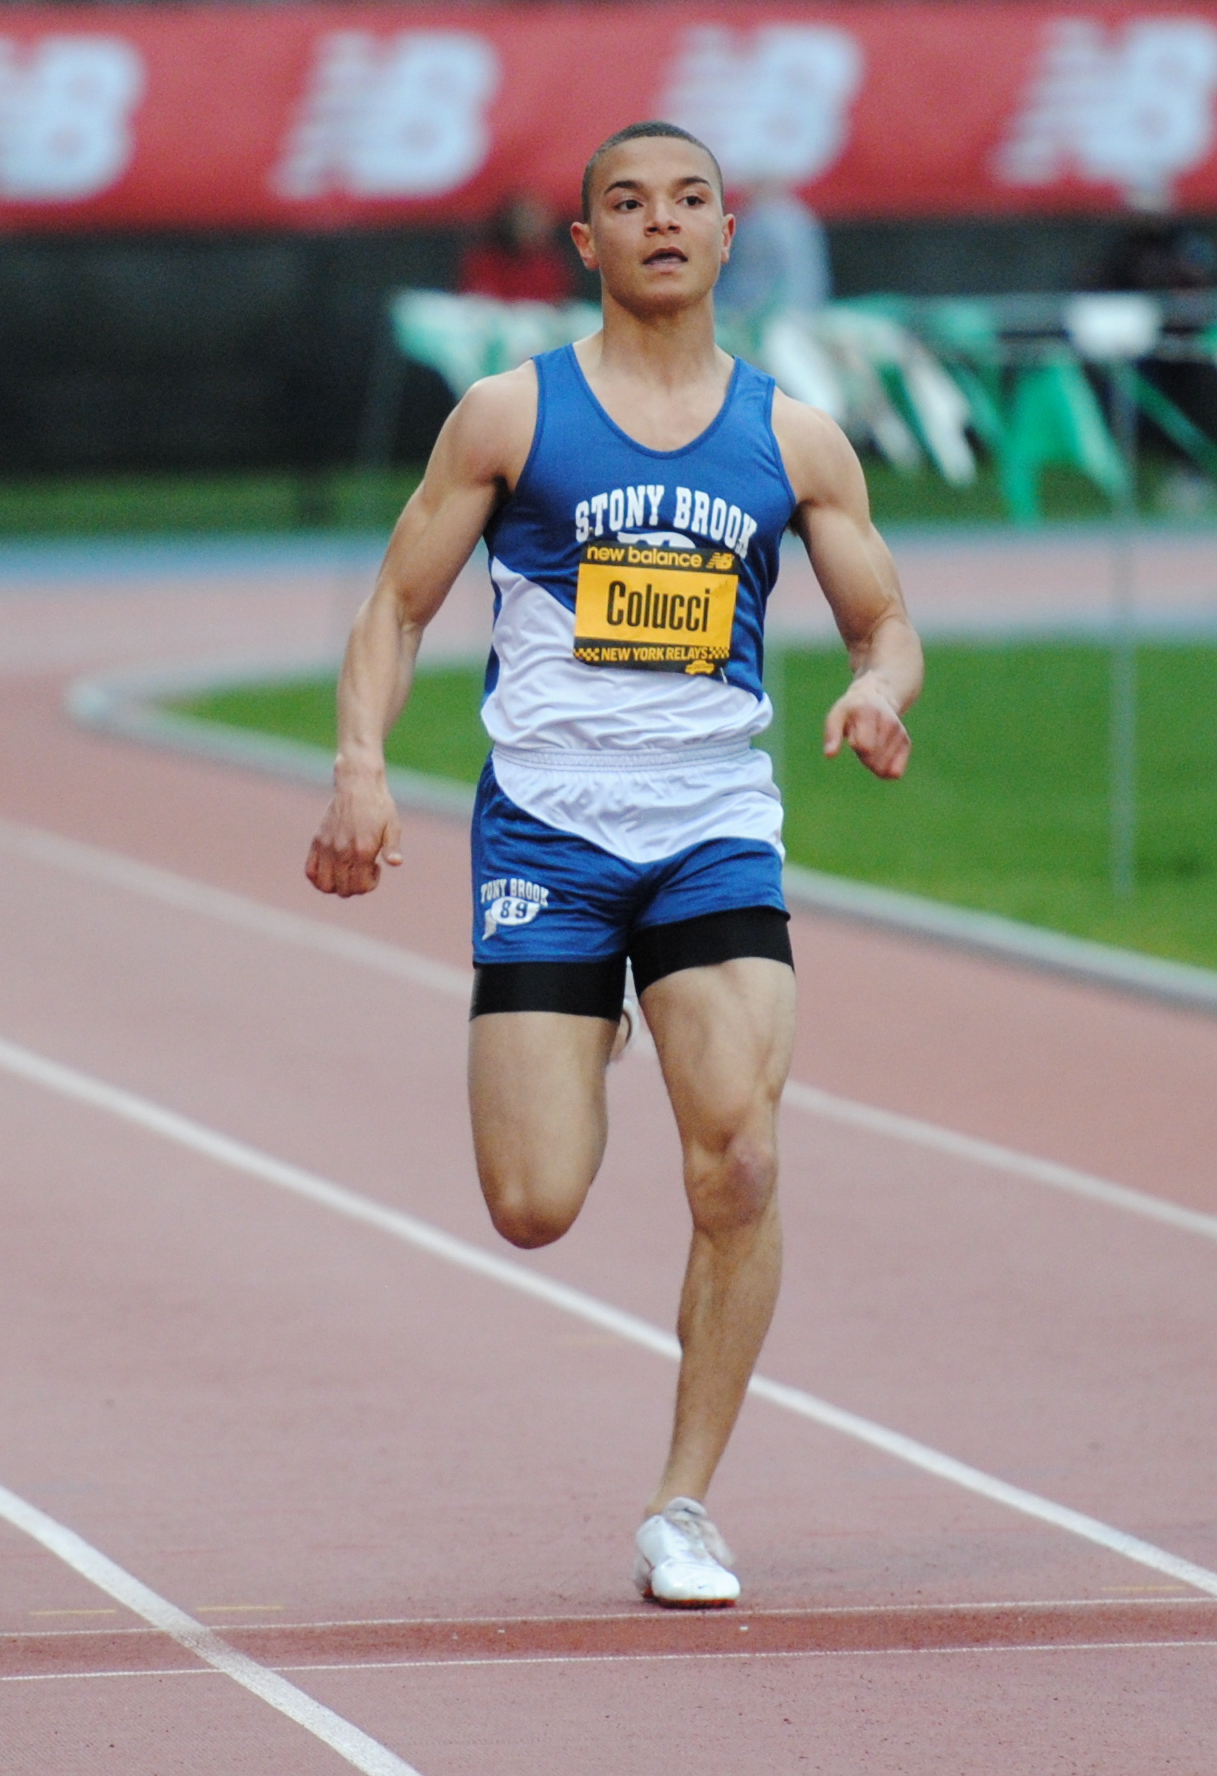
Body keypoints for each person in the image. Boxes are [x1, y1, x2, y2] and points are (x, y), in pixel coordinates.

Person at [305, 121, 921, 1607]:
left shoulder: (793, 439)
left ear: (726, 237)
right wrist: (360, 767)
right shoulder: (510, 416)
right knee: (533, 1202)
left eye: (690, 200)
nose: (662, 222)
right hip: (550, 833)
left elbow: (883, 621)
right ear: (584, 243)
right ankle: (591, 1019)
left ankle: (682, 1506)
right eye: (629, 204)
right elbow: (396, 606)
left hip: (711, 831)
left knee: (742, 1157)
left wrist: (877, 691)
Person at [712, 178, 830, 323]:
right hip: (803, 315)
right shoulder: (798, 217)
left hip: (774, 320)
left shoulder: (763, 224)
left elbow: (748, 287)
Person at [458, 192, 575, 305]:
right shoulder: (484, 262)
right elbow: (475, 300)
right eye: (527, 220)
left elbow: (557, 304)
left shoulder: (551, 268)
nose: (533, 229)